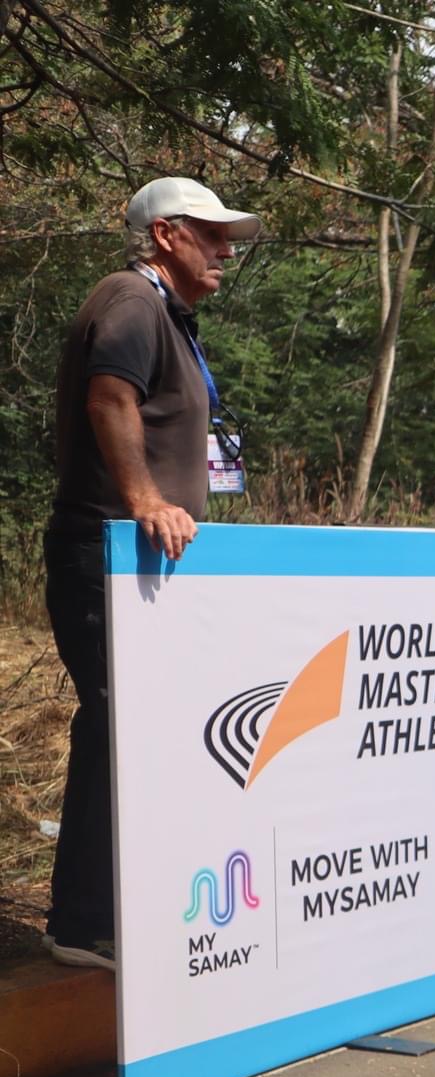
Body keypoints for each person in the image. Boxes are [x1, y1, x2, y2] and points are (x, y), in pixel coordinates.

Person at [42, 177, 260, 971]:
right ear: (165, 234)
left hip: (136, 560)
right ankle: (80, 923)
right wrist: (145, 500)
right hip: (104, 554)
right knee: (114, 724)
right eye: (211, 233)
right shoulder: (132, 299)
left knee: (130, 727)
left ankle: (113, 909)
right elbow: (109, 399)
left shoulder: (168, 314)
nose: (226, 249)